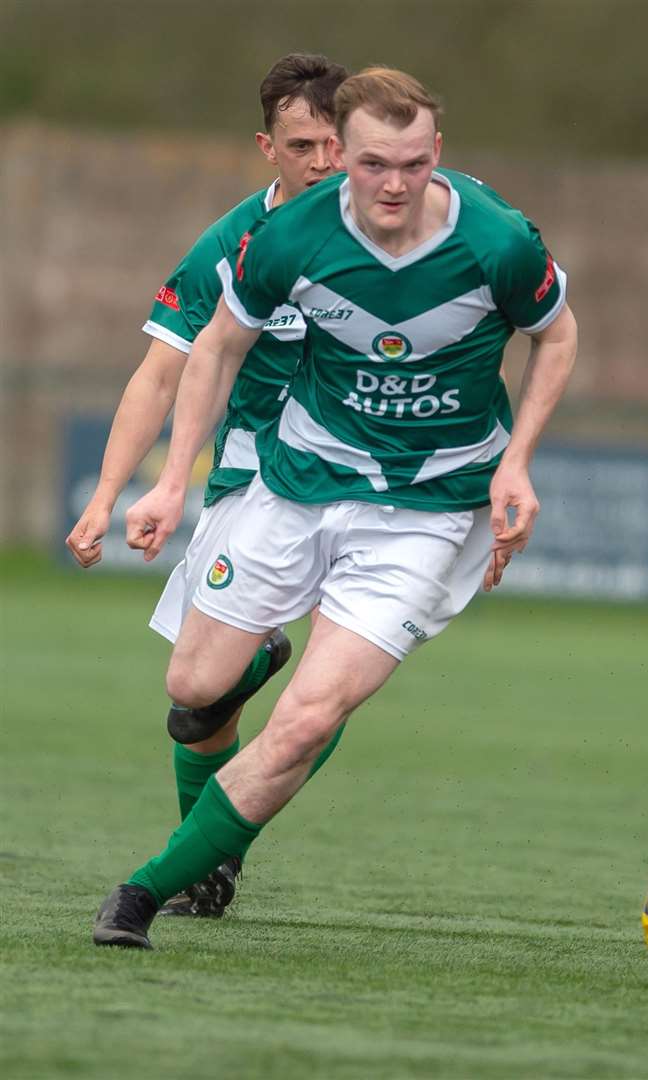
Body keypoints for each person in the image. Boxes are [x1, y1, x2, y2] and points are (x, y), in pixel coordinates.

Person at [91, 66, 579, 948]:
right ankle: (215, 815)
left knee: (307, 719)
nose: (393, 184)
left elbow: (557, 333)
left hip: (428, 512)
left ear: (438, 153)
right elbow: (214, 348)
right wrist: (170, 479)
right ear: (341, 158)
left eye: (413, 163)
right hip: (298, 482)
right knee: (194, 688)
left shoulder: (497, 240)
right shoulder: (287, 236)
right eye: (370, 164)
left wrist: (518, 464)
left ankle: (146, 889)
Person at [65, 53, 351, 918]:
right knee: (194, 707)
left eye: (339, 144)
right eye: (304, 146)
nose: (325, 164)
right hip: (252, 483)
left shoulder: (393, 235)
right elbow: (161, 373)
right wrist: (113, 494)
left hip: (367, 490)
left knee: (324, 693)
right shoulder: (229, 245)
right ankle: (212, 860)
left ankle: (202, 861)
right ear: (268, 146)